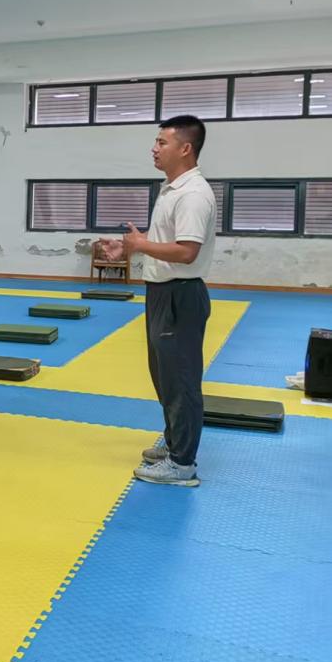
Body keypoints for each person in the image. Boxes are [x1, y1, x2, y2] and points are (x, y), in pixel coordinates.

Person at [103, 116, 216, 487]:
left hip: (180, 295)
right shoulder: (171, 189)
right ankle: (174, 443)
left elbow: (186, 251)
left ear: (185, 148)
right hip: (162, 293)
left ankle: (182, 465)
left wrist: (141, 244)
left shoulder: (192, 194)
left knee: (180, 380)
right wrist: (129, 247)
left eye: (162, 142)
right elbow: (166, 241)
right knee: (165, 377)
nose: (154, 149)